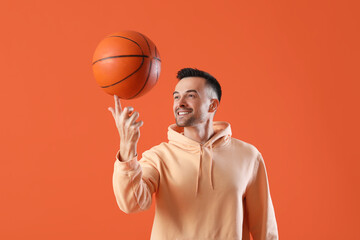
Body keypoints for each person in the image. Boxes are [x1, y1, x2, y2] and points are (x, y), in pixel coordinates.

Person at [108, 68, 279, 240]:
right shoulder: (159, 157)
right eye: (176, 96)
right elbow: (131, 203)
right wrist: (127, 146)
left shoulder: (248, 156)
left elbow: (264, 228)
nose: (180, 103)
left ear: (213, 105)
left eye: (191, 96)